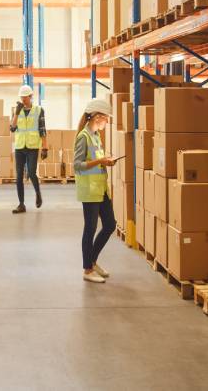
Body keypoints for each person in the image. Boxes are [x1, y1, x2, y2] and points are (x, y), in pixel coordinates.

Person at [74, 98, 119, 284]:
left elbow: (96, 161)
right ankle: (87, 269)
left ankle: (92, 260)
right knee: (90, 229)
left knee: (110, 224)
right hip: (89, 191)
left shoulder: (95, 136)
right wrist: (101, 161)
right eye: (106, 118)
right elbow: (77, 165)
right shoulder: (83, 137)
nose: (107, 122)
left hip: (101, 189)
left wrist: (107, 160)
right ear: (97, 117)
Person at [10, 84, 48, 214]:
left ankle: (38, 193)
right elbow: (12, 128)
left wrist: (45, 148)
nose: (23, 100)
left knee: (31, 172)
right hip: (20, 146)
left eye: (25, 98)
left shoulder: (38, 110)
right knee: (19, 176)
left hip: (32, 146)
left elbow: (42, 130)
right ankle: (21, 204)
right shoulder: (17, 110)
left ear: (31, 97)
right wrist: (16, 113)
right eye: (21, 98)